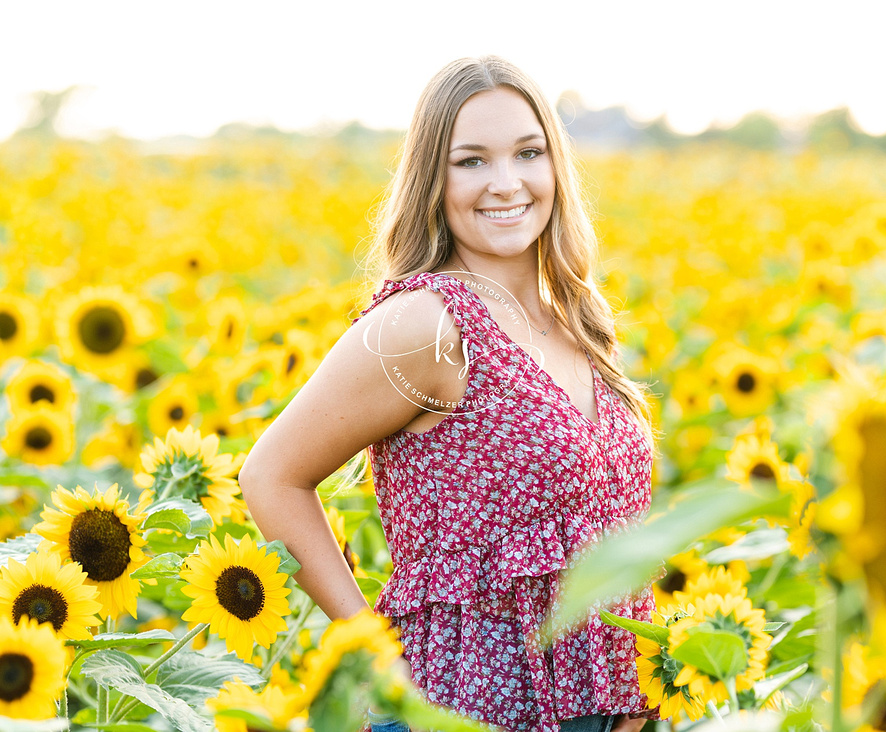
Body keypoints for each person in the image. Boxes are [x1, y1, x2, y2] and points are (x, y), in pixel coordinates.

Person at [238, 55, 661, 732]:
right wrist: (371, 653)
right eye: (471, 161)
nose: (506, 183)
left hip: (608, 708)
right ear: (433, 179)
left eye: (529, 152)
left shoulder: (573, 320)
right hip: (469, 709)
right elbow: (270, 475)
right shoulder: (427, 324)